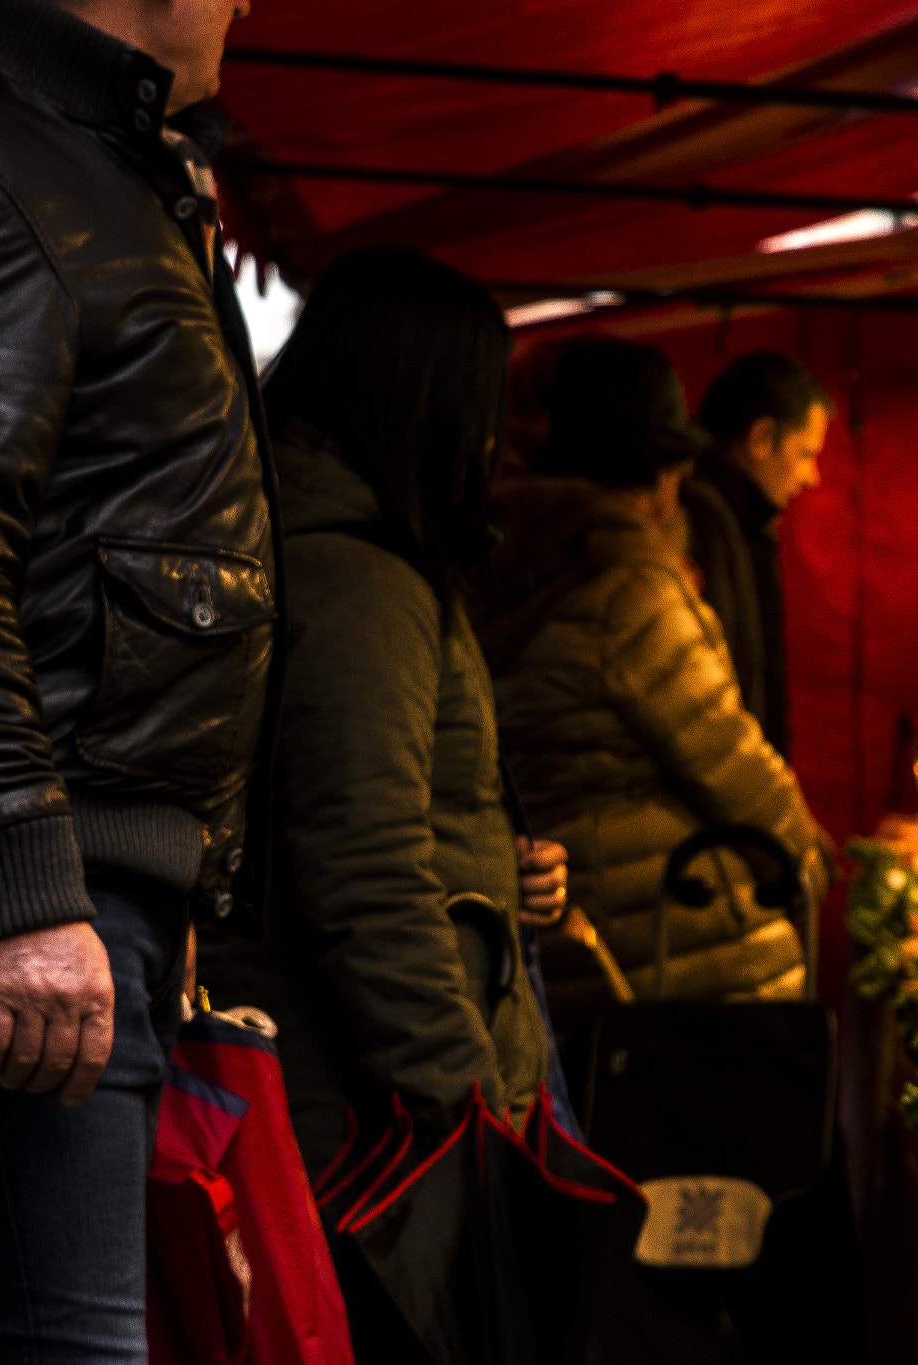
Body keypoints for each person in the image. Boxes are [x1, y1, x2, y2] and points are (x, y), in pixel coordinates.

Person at [0, 0, 279, 1357]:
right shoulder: (22, 157)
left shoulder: (108, 163)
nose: (245, 3)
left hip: (103, 892)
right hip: (55, 897)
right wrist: (29, 886)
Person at [198, 246, 558, 1190]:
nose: (495, 439)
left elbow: (383, 810)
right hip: (368, 1119)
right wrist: (469, 1108)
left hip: (362, 1096)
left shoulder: (336, 548)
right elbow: (364, 869)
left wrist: (496, 865)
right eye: (487, 406)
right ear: (428, 400)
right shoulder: (357, 580)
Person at [480, 337, 831, 1023]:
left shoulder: (506, 556)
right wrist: (806, 863)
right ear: (658, 475)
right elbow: (726, 755)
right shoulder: (626, 580)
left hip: (577, 930)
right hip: (675, 955)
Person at [685, 352, 833, 759]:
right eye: (806, 453)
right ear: (761, 439)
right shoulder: (703, 520)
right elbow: (714, 698)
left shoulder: (741, 520)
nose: (812, 477)